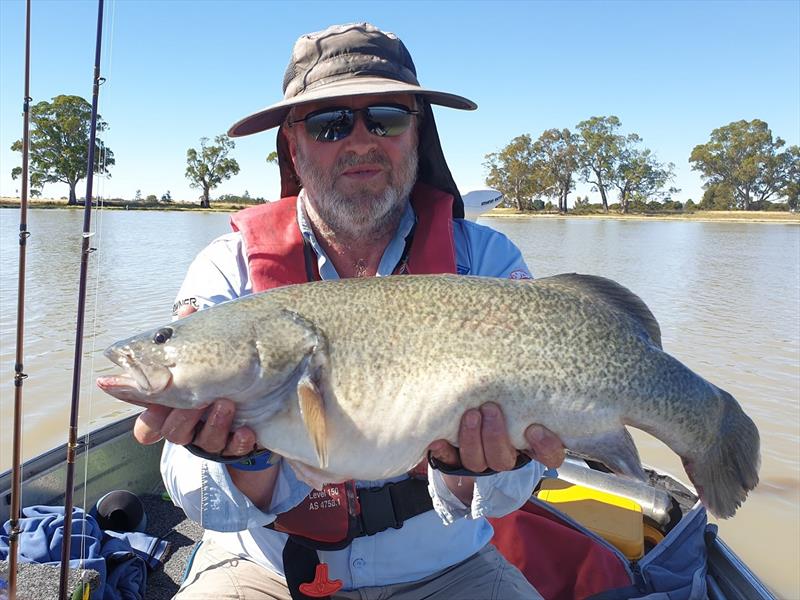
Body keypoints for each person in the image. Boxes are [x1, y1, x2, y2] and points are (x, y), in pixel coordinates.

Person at [134, 22, 565, 600]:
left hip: (446, 568)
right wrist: (247, 461)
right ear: (293, 142)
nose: (360, 141)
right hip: (260, 568)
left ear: (416, 133)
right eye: (329, 122)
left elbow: (517, 483)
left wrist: (478, 471)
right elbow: (192, 493)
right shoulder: (225, 269)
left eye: (385, 117)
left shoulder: (487, 261)